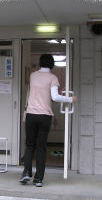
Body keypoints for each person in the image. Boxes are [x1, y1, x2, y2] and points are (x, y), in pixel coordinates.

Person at [19, 54, 77, 187]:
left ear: (40, 63)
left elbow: (40, 94)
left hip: (31, 115)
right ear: (51, 63)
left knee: (29, 145)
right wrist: (70, 99)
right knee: (41, 147)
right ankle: (38, 179)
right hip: (45, 116)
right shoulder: (53, 77)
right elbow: (55, 97)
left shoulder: (33, 76)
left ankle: (26, 173)